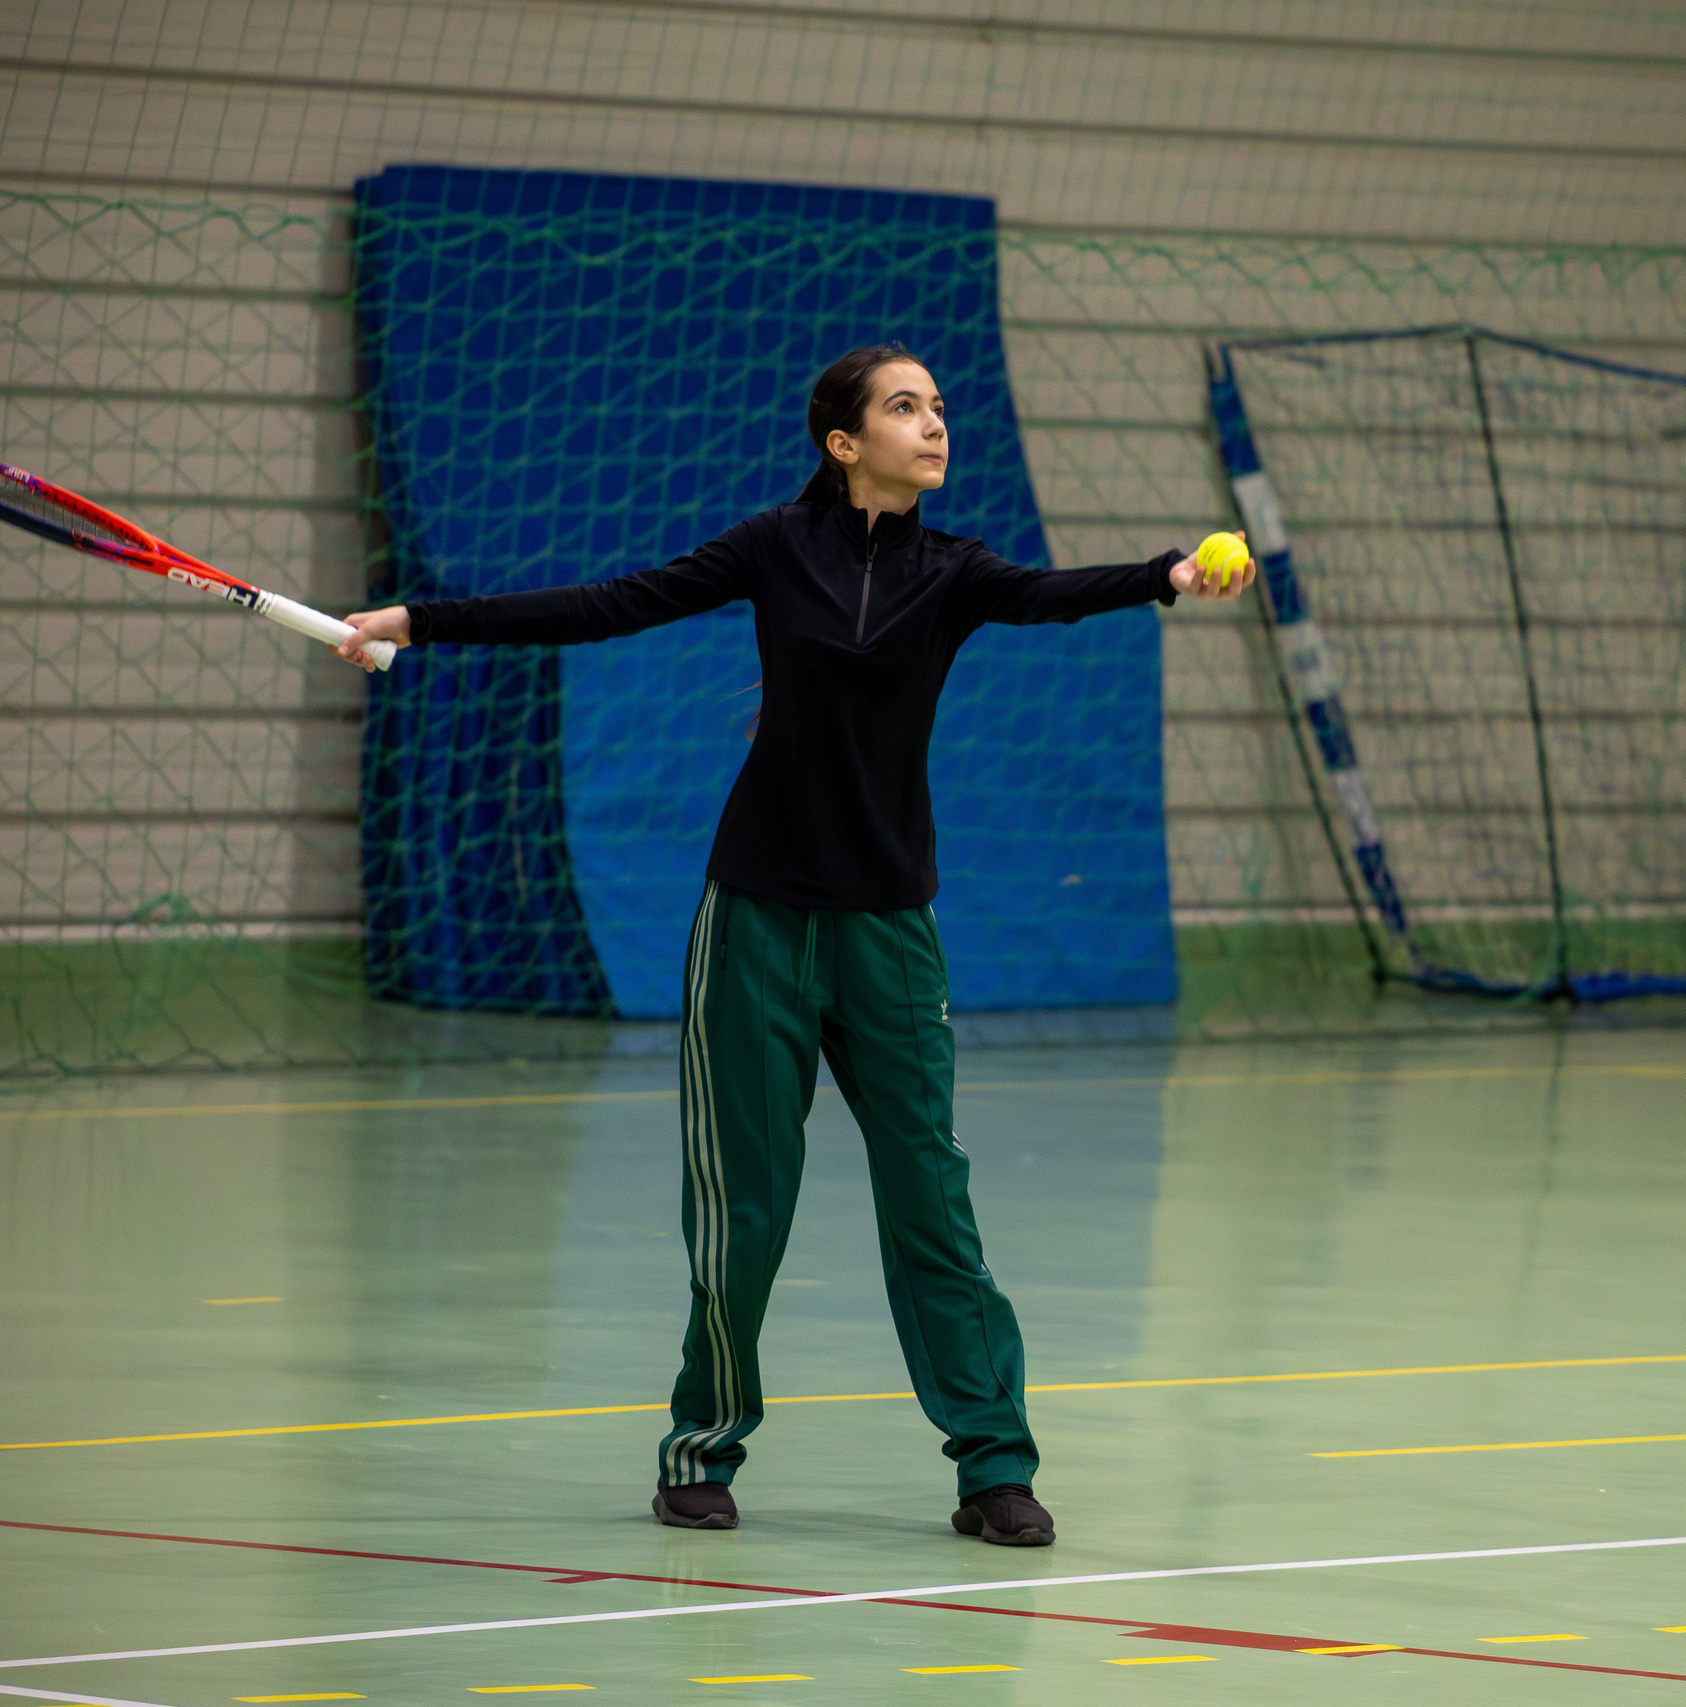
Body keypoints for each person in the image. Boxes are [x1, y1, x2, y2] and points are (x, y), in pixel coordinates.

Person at [335, 343, 1254, 1546]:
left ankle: (993, 1468)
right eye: (906, 408)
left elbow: (1050, 592)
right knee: (742, 1209)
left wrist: (1170, 574)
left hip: (889, 930)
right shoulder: (772, 548)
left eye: (938, 409)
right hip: (756, 918)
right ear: (843, 441)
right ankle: (702, 1448)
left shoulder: (955, 572)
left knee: (934, 1202)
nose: (934, 426)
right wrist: (417, 621)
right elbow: (610, 606)